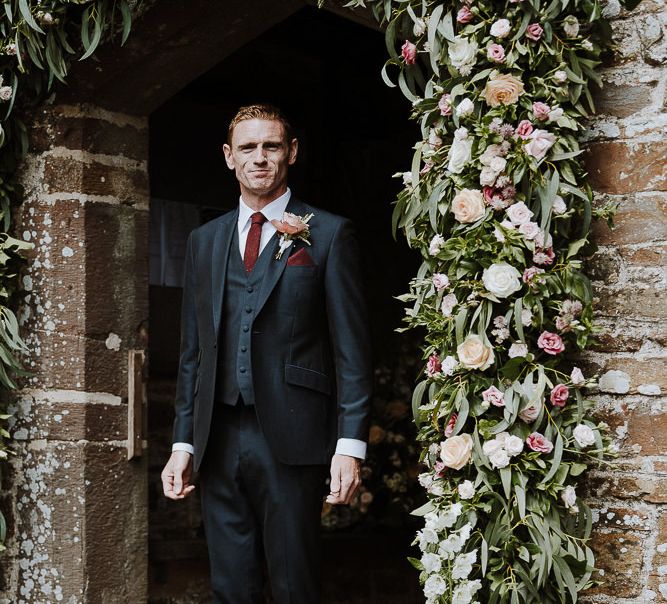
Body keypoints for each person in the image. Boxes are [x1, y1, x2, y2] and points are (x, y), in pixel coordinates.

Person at [160, 103, 372, 604]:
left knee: (295, 584)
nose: (260, 158)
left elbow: (352, 352)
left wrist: (350, 447)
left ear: (291, 152)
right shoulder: (203, 241)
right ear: (228, 157)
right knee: (229, 586)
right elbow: (193, 354)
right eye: (248, 148)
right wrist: (183, 444)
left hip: (294, 436)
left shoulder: (329, 233)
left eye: (271, 146)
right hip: (218, 439)